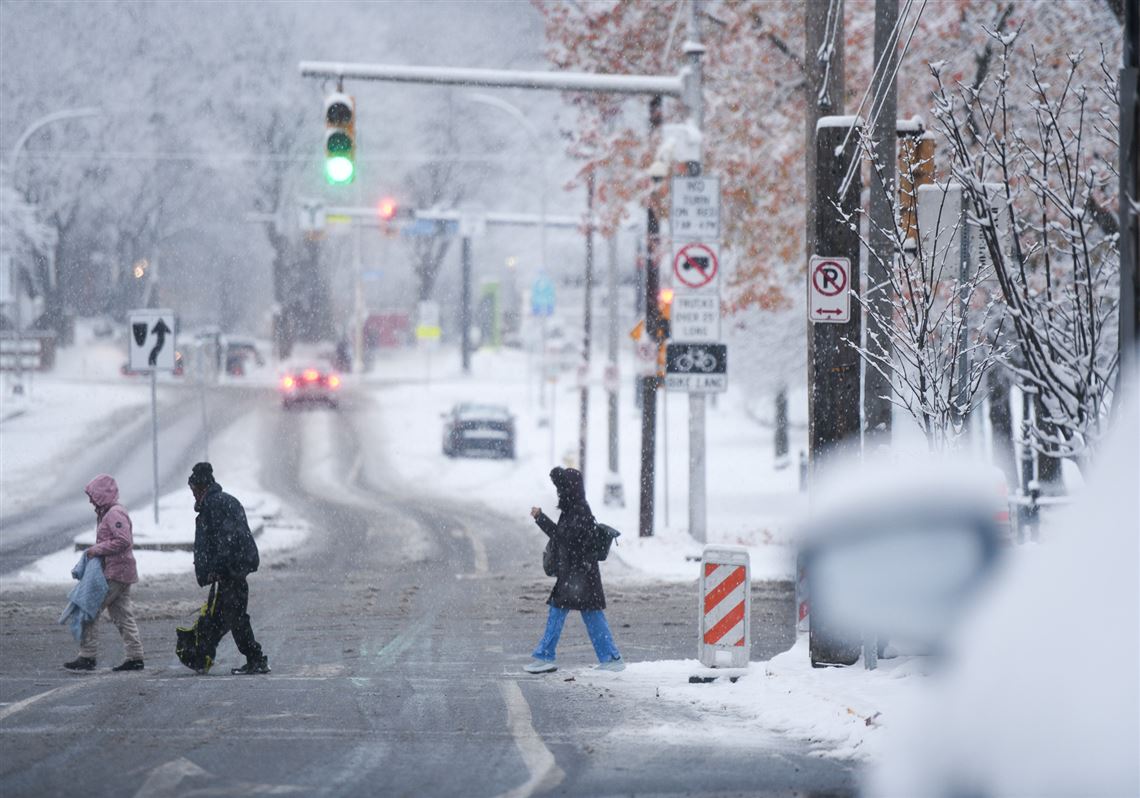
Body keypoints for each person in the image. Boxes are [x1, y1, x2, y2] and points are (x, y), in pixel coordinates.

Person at [525, 467, 624, 674]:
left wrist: (541, 518)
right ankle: (611, 658)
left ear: (569, 490)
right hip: (578, 574)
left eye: (561, 489)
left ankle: (546, 656)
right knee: (588, 614)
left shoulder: (579, 511)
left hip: (578, 575)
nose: (559, 493)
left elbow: (564, 538)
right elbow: (565, 537)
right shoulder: (574, 508)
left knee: (566, 612)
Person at [188, 462, 270, 675]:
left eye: (194, 490)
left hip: (231, 570)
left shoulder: (215, 505)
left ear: (201, 487)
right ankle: (203, 654)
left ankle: (256, 658)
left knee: (235, 616)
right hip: (235, 567)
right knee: (222, 617)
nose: (193, 495)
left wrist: (217, 567)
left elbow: (226, 539)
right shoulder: (224, 501)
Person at [64, 474, 145, 672]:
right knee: (122, 615)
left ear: (102, 495)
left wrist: (96, 550)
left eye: (93, 496)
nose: (91, 500)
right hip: (121, 571)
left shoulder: (114, 514)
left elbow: (123, 540)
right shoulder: (108, 512)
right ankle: (135, 656)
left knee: (89, 608)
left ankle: (87, 656)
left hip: (115, 573)